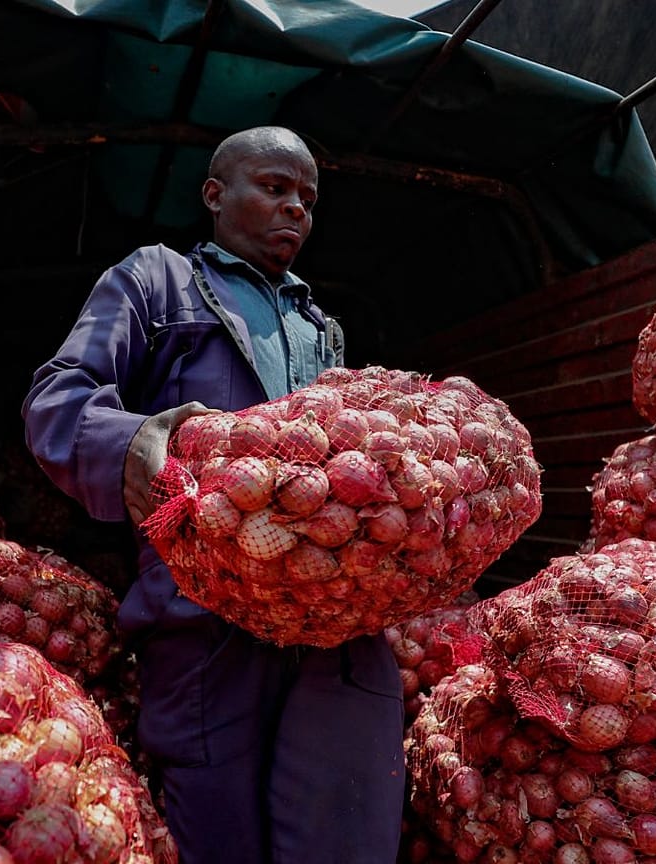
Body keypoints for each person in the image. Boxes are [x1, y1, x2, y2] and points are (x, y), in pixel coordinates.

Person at [21, 126, 405, 863]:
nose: (295, 208)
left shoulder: (320, 326)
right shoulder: (154, 279)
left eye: (307, 197)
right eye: (273, 186)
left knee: (345, 817)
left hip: (329, 616)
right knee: (218, 826)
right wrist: (128, 443)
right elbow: (59, 398)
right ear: (214, 195)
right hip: (202, 615)